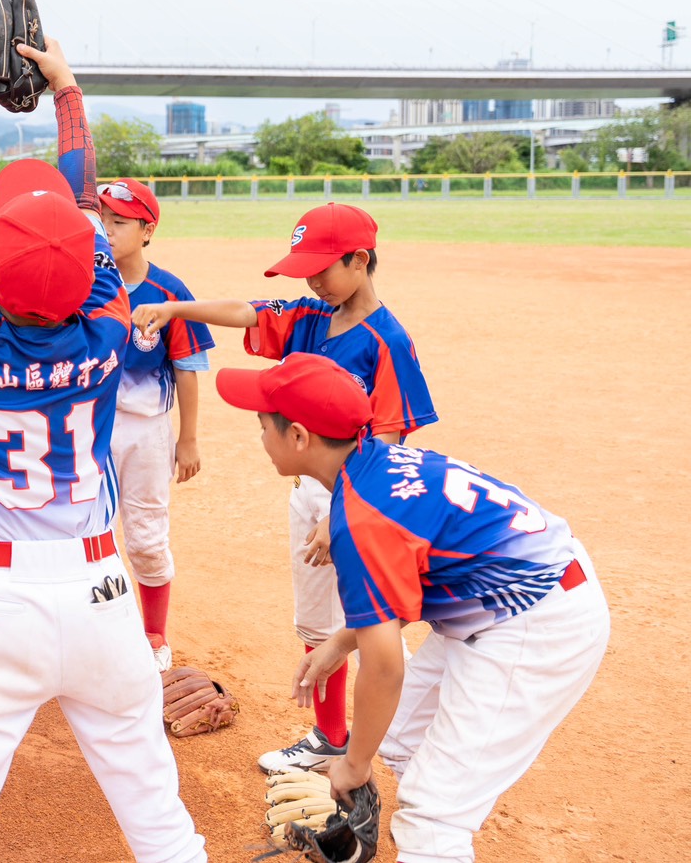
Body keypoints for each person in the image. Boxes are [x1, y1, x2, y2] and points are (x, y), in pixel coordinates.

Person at [0, 22, 205, 863]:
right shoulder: (108, 324)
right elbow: (81, 202)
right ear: (88, 264)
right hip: (101, 589)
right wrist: (66, 89)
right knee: (156, 813)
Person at [215, 354, 609, 863]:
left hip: (536, 623)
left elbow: (385, 667)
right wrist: (340, 643)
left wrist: (353, 765)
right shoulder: (375, 461)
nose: (260, 437)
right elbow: (415, 578)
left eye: (263, 426)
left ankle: (438, 837)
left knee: (432, 816)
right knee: (400, 735)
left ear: (298, 437)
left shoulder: (361, 518)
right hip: (518, 595)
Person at [133, 201, 435, 774]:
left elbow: (391, 439)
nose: (312, 281)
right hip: (310, 488)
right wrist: (174, 307)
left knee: (373, 623)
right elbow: (245, 312)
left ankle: (405, 744)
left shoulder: (386, 341)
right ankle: (329, 736)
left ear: (360, 260)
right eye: (305, 270)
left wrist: (341, 514)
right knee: (317, 622)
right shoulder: (311, 317)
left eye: (322, 269)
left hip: (361, 499)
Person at [96, 178, 213, 668]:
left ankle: (154, 635)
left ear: (147, 231)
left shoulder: (168, 292)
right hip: (91, 426)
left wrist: (188, 439)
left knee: (145, 534)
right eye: (102, 219)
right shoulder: (86, 284)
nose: (107, 229)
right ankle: (97, 632)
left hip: (147, 431)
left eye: (120, 222)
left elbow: (187, 369)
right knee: (91, 533)